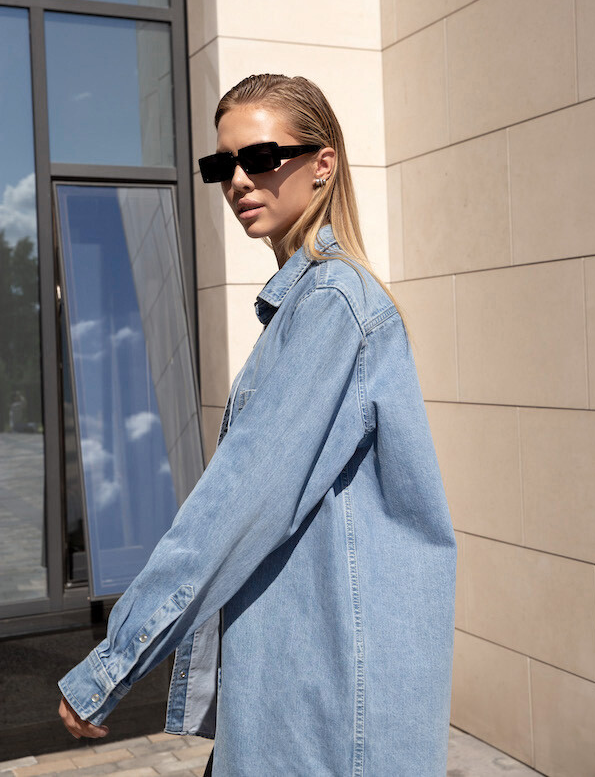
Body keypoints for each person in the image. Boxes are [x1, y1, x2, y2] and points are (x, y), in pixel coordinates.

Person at [58, 73, 457, 776]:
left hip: (326, 706)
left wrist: (115, 662)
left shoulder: (332, 305)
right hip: (303, 686)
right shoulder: (307, 304)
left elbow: (238, 503)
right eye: (222, 165)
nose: (239, 180)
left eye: (261, 157)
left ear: (322, 164)